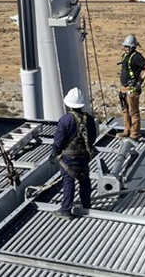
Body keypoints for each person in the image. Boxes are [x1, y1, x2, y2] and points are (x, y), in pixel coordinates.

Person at [50, 87, 97, 220]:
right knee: (84, 181)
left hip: (69, 158)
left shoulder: (65, 120)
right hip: (84, 157)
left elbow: (59, 140)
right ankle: (87, 206)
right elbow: (92, 139)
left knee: (68, 182)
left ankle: (65, 210)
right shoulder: (89, 119)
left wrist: (54, 152)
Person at [117, 35, 145, 141]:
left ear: (133, 47)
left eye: (129, 47)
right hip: (124, 88)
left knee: (133, 112)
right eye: (125, 46)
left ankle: (134, 135)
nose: (127, 48)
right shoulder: (125, 56)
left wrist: (140, 81)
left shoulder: (137, 57)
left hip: (131, 89)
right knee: (125, 110)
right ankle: (127, 130)